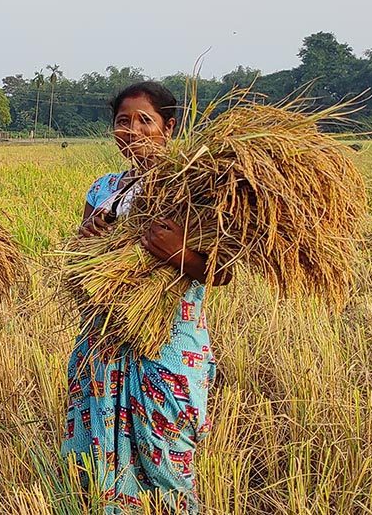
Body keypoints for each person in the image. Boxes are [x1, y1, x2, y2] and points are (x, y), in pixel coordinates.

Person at [63, 81, 231, 513]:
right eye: (123, 121)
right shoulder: (103, 191)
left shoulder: (194, 188)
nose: (132, 130)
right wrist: (87, 241)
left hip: (169, 343)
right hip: (104, 340)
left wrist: (179, 252)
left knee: (168, 464)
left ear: (168, 127)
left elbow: (222, 272)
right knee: (97, 464)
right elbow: (80, 266)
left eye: (145, 120)